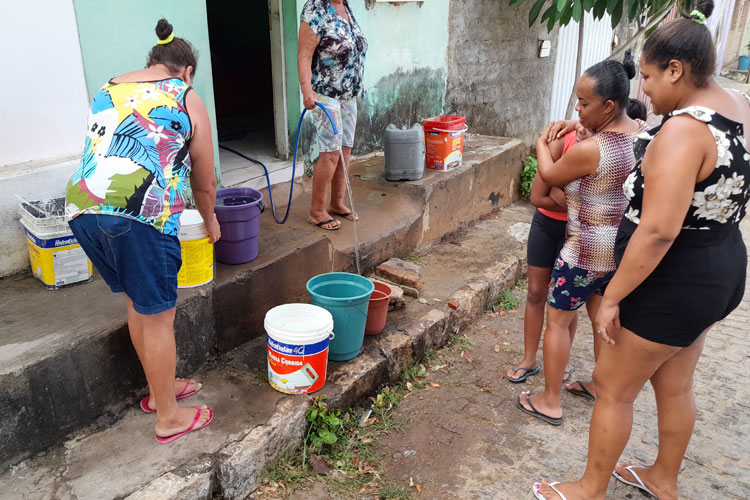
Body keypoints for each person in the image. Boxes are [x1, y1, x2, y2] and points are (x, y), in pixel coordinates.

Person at [532, 2, 750, 498]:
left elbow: (657, 232)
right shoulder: (738, 106)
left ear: (676, 70)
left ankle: (590, 488)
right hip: (722, 265)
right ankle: (663, 478)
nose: (643, 91)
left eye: (648, 78)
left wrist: (611, 299)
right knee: (675, 383)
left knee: (613, 386)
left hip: (672, 279)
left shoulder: (683, 131)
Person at [65, 19, 219, 444]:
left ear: (153, 62)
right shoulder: (185, 96)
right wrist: (212, 222)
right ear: (186, 71)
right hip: (140, 213)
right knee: (159, 317)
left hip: (83, 209)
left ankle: (159, 391)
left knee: (139, 302)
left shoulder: (107, 86)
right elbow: (205, 182)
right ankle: (169, 416)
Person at [516, 53, 646, 426]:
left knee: (557, 322)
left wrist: (542, 141)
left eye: (584, 103)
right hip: (619, 251)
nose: (577, 108)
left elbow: (550, 174)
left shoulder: (592, 150)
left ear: (607, 105)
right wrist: (579, 121)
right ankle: (601, 386)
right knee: (605, 321)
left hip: (582, 251)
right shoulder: (641, 136)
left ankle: (550, 399)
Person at [507, 122, 593, 384]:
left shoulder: (607, 147)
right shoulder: (562, 140)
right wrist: (566, 198)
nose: (582, 125)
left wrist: (559, 191)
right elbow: (537, 197)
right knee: (535, 292)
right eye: (580, 106)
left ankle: (562, 361)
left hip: (579, 231)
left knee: (568, 302)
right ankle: (529, 359)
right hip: (546, 225)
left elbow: (593, 200)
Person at [298, 0, 368, 230]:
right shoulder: (315, 9)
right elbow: (305, 55)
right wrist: (307, 90)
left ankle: (337, 203)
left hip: (349, 93)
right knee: (330, 153)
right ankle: (317, 211)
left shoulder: (345, 7)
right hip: (325, 94)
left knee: (345, 149)